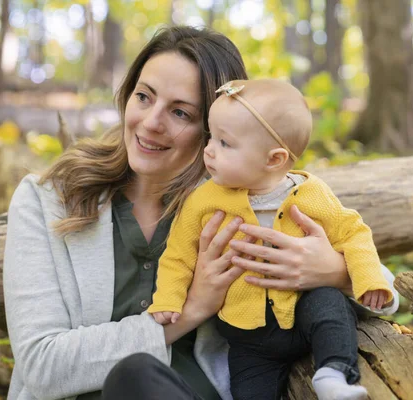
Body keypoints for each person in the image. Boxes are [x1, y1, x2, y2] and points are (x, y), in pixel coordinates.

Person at [3, 26, 399, 400]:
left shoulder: (233, 201)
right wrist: (192, 309)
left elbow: (383, 287)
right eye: (144, 96)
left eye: (181, 113)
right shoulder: (48, 201)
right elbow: (41, 365)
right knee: (134, 376)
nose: (151, 122)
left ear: (215, 128)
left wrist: (334, 272)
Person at [147, 79, 393, 400]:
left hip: (303, 308)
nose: (208, 150)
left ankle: (333, 374)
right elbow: (178, 254)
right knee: (250, 391)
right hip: (248, 335)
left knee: (330, 308)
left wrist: (368, 278)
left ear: (274, 160)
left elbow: (352, 232)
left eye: (225, 143)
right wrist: (168, 299)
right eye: (212, 136)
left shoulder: (309, 193)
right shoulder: (203, 201)